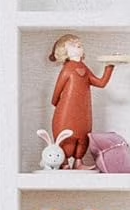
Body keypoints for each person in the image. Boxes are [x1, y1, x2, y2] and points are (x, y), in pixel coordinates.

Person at [49, 34, 114, 167]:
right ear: (63, 51)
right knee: (66, 137)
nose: (78, 45)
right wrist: (58, 105)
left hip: (83, 113)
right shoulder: (67, 69)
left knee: (83, 137)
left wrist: (110, 66)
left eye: (79, 44)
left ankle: (79, 161)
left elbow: (101, 83)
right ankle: (64, 162)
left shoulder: (84, 67)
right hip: (66, 112)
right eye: (72, 44)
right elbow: (57, 92)